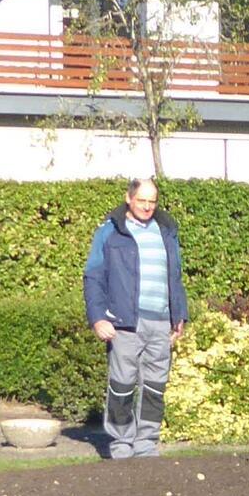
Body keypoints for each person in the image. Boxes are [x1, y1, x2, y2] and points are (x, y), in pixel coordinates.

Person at [83, 177, 188, 459]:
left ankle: (146, 445)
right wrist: (97, 318)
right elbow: (93, 276)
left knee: (155, 385)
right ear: (129, 198)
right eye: (141, 200)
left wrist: (179, 315)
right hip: (124, 323)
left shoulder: (166, 231)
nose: (146, 206)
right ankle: (120, 446)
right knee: (122, 385)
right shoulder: (110, 232)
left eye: (152, 201)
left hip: (161, 323)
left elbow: (175, 276)